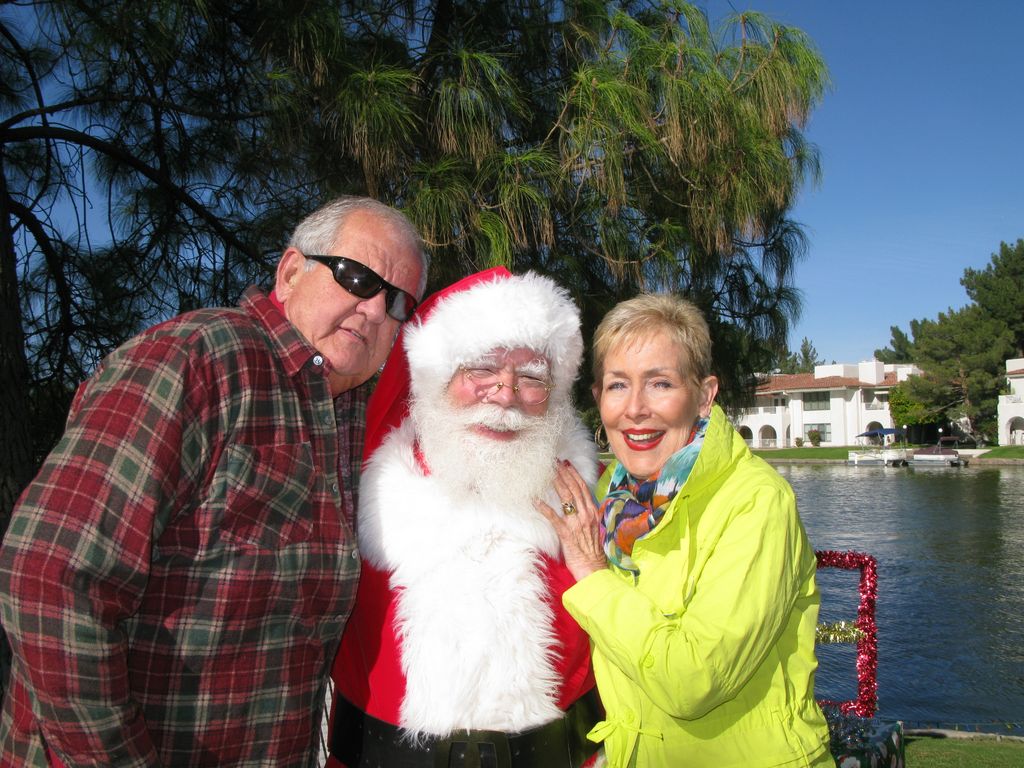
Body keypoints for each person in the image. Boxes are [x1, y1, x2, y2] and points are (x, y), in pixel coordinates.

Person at [0, 196, 428, 767]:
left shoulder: (351, 419)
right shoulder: (197, 359)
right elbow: (52, 579)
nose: (375, 309)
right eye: (356, 276)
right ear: (291, 271)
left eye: (398, 301)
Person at [538, 294, 833, 767]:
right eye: (618, 385)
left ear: (704, 395)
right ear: (597, 398)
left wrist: (593, 575)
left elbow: (692, 681)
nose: (635, 409)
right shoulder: (604, 497)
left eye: (660, 383)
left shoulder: (756, 502)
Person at [327, 268, 603, 768]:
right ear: (438, 377)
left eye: (533, 378)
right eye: (482, 370)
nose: (506, 393)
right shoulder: (354, 488)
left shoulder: (598, 498)